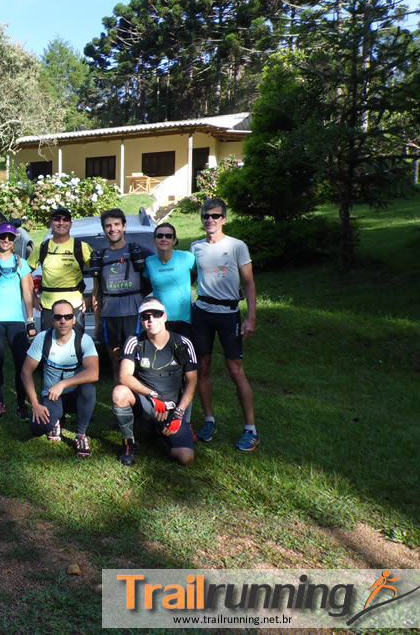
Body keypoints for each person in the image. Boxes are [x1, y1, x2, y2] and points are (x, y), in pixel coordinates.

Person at [190, 197, 259, 451]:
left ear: (224, 219)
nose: (210, 220)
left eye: (215, 216)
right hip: (202, 312)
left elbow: (249, 283)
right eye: (205, 216)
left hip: (229, 314)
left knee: (235, 370)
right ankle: (209, 421)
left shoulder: (237, 246)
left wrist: (251, 316)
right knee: (203, 367)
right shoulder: (195, 247)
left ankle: (251, 428)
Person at [111, 297, 198, 466]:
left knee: (186, 458)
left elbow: (192, 381)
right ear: (140, 320)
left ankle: (160, 433)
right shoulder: (134, 342)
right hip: (147, 402)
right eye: (145, 316)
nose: (151, 319)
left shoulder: (183, 343)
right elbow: (124, 376)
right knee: (119, 392)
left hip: (173, 407)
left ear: (165, 316)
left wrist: (179, 413)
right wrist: (152, 395)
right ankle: (129, 443)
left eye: (156, 314)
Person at [21, 300, 99, 457]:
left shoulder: (84, 340)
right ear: (52, 319)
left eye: (68, 316)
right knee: (37, 428)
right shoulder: (43, 338)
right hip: (52, 396)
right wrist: (35, 404)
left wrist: (63, 384)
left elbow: (94, 373)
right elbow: (26, 371)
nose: (63, 321)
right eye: (58, 317)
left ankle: (81, 435)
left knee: (88, 388)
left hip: (76, 396)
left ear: (74, 319)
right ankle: (56, 420)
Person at [0, 222, 37, 420]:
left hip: (16, 321)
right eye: (3, 236)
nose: (6, 240)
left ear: (14, 240)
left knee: (21, 363)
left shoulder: (21, 263)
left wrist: (30, 320)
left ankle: (21, 404)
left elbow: (28, 293)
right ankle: (0, 403)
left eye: (10, 237)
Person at [90, 207, 151, 378]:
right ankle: (120, 403)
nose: (112, 229)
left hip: (134, 312)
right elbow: (97, 291)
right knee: (115, 361)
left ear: (124, 226)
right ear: (104, 229)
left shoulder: (138, 252)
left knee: (137, 362)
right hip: (110, 314)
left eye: (117, 224)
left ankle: (140, 402)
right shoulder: (100, 256)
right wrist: (96, 322)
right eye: (108, 225)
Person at [28, 207, 92, 334]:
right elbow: (25, 273)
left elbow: (100, 274)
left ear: (70, 224)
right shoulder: (42, 247)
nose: (61, 223)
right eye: (57, 219)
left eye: (65, 219)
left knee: (75, 346)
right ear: (51, 223)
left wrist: (91, 299)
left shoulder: (81, 247)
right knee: (50, 347)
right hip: (48, 306)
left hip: (74, 305)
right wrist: (33, 297)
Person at [144, 222, 196, 339]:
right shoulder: (149, 262)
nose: (164, 239)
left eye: (168, 236)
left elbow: (201, 274)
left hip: (185, 321)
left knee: (185, 356)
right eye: (160, 236)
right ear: (154, 239)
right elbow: (145, 282)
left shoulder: (187, 258)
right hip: (160, 320)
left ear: (174, 240)